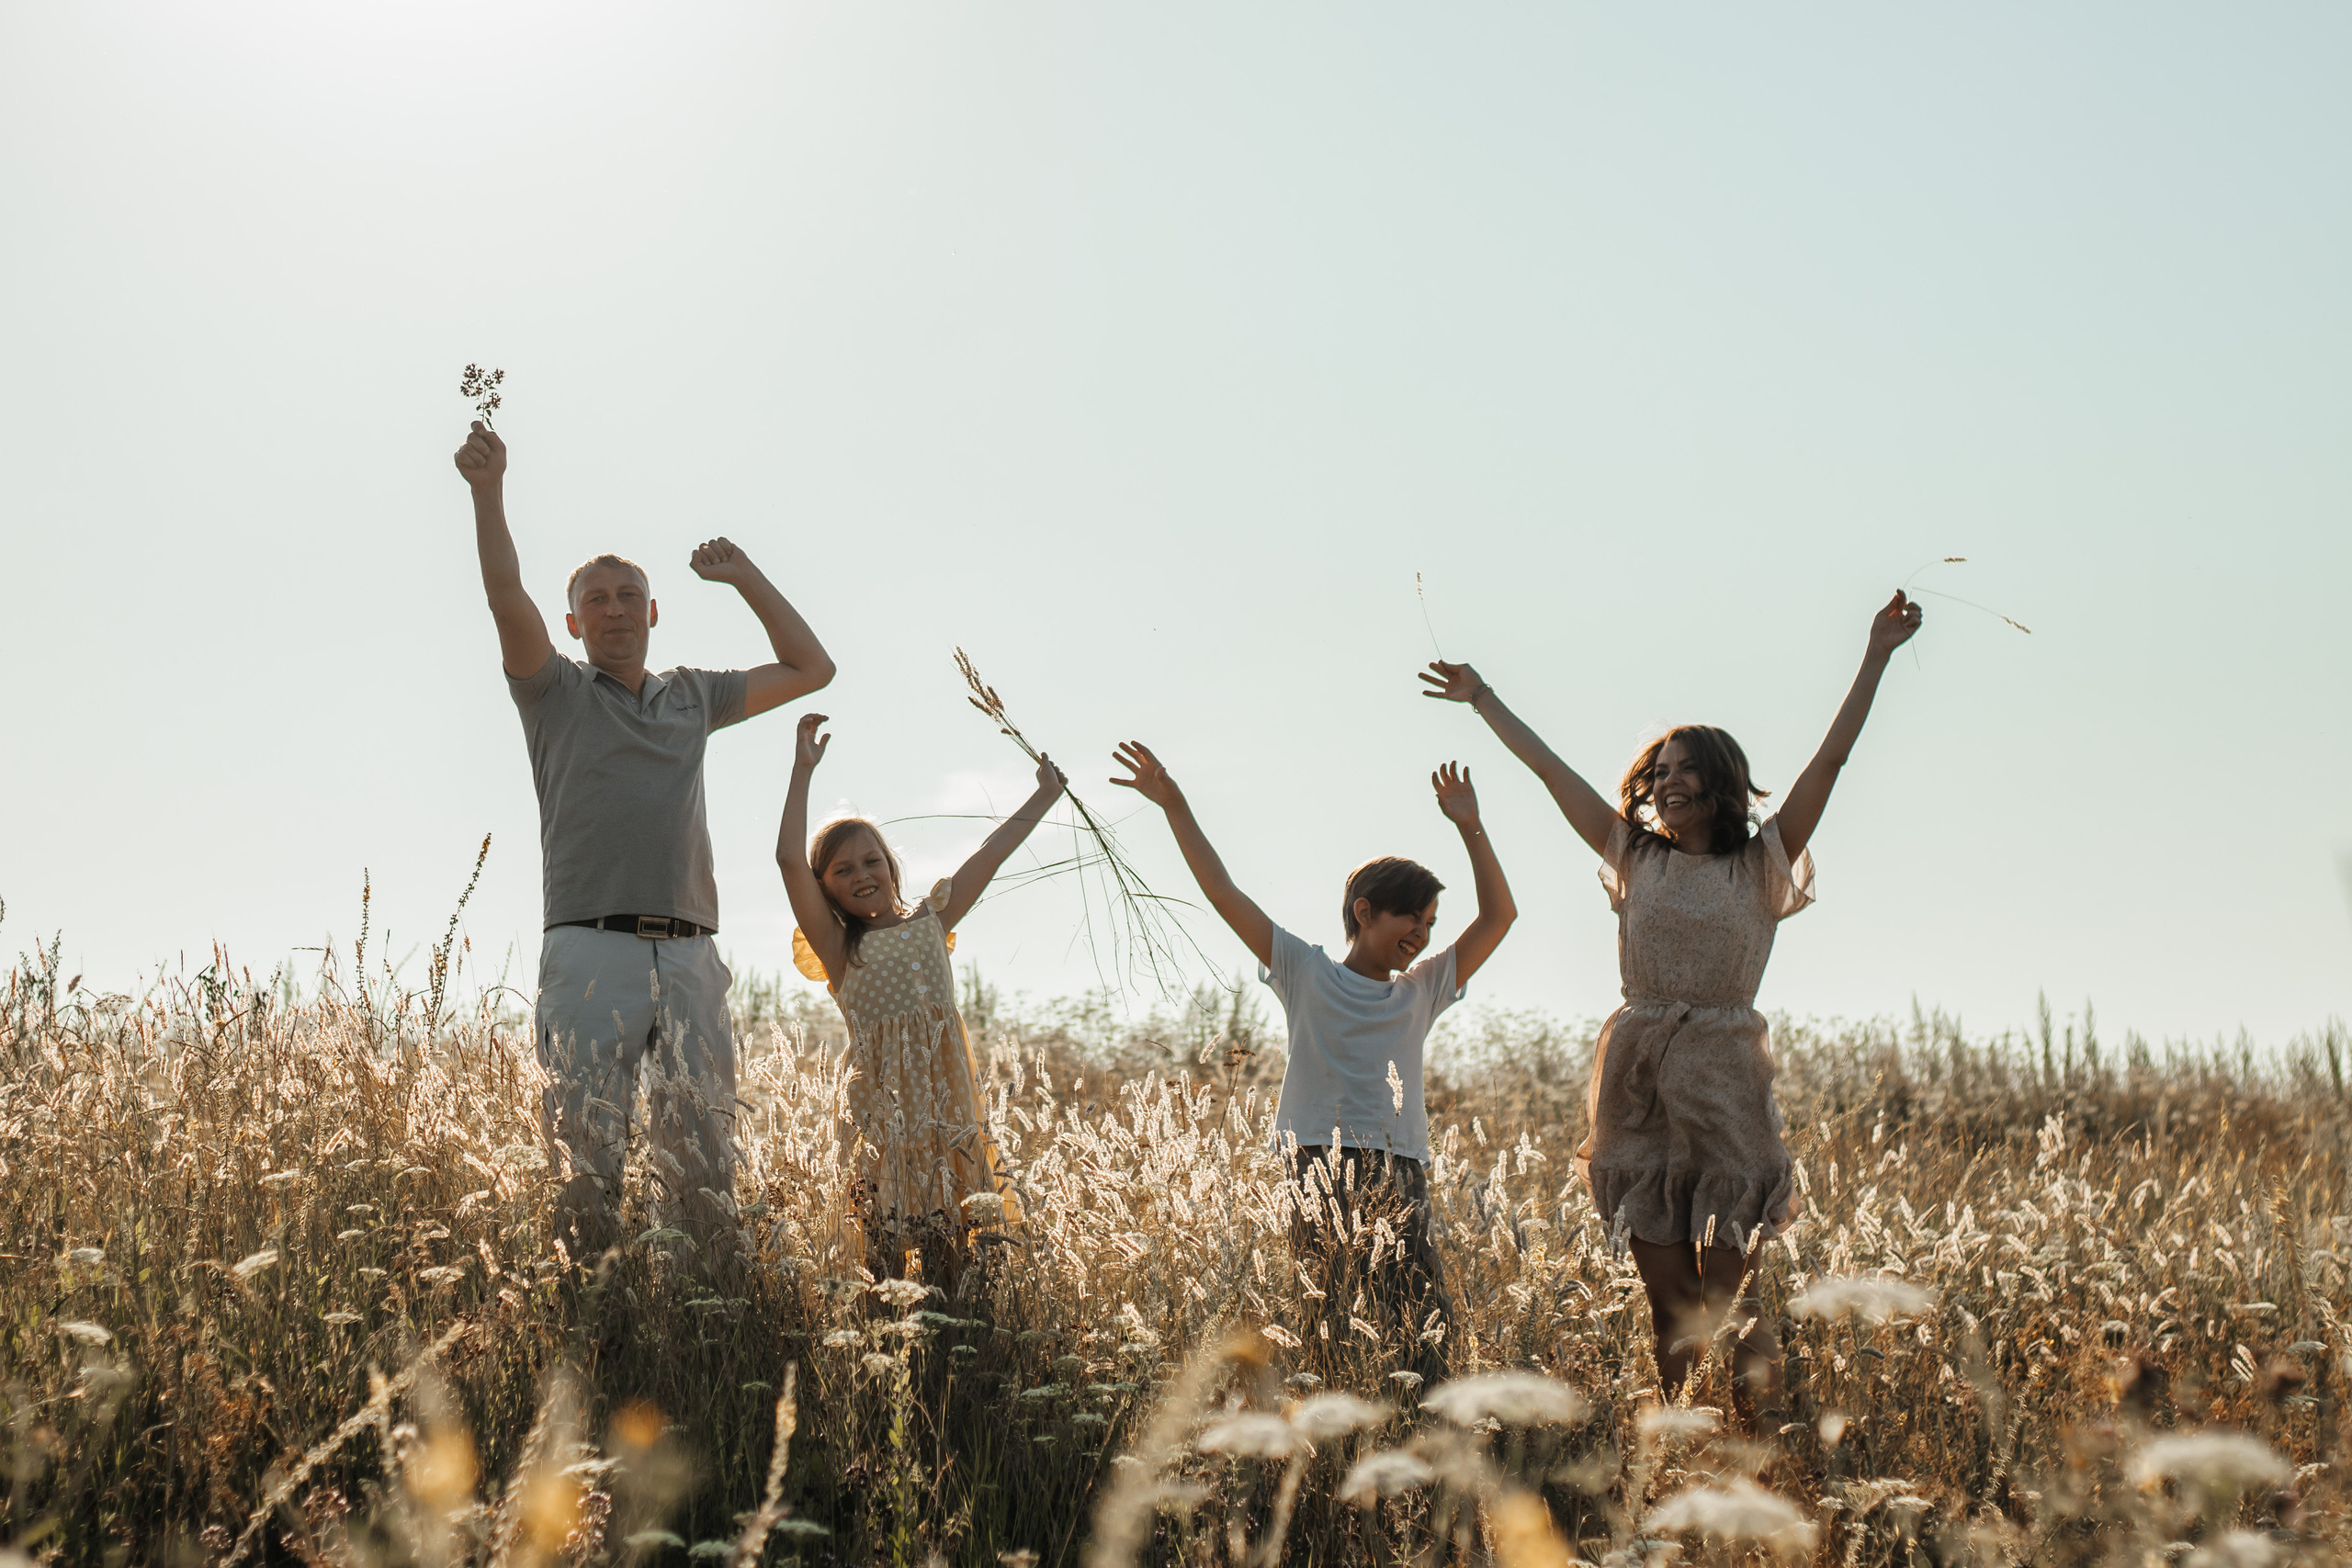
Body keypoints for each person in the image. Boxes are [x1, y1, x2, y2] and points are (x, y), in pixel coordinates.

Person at [1421, 591, 1924, 1422]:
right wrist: (1484, 698)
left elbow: (1829, 763)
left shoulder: (1763, 861)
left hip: (1727, 1083)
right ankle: (1680, 1451)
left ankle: (1763, 1450)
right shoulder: (1634, 854)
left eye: (1687, 767)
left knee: (1728, 1305)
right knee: (1671, 1308)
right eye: (1660, 769)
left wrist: (1875, 653)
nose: (1667, 780)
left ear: (1722, 784)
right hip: (1637, 1083)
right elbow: (1554, 773)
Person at [452, 420, 835, 1269]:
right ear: (574, 620)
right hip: (592, 951)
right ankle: (592, 1322)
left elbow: (812, 669)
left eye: (629, 595)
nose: (615, 608)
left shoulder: (693, 696)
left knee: (704, 1168)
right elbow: (505, 599)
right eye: (597, 598)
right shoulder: (552, 690)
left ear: (654, 612)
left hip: (692, 955)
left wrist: (742, 576)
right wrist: (489, 492)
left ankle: (698, 1334)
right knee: (586, 1166)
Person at [1109, 743, 1516, 1372]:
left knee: (1420, 1322)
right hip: (1314, 1164)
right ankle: (1330, 1432)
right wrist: (1174, 802)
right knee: (1323, 1317)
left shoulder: (1422, 989)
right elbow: (1222, 891)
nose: (1424, 934)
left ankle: (1422, 1438)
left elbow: (1500, 915)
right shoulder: (1305, 969)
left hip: (1398, 1167)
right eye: (1413, 916)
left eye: (1432, 922)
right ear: (1365, 911)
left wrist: (1471, 825)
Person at [776, 712, 1061, 1283]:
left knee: (947, 1249)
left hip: (946, 1110)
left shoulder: (933, 920)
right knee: (881, 1249)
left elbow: (990, 854)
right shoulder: (838, 946)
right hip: (880, 1116)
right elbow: (788, 860)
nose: (862, 875)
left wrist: (1045, 795)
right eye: (842, 870)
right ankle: (881, 1355)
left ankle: (945, 1362)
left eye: (872, 861)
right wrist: (802, 770)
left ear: (891, 866)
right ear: (824, 887)